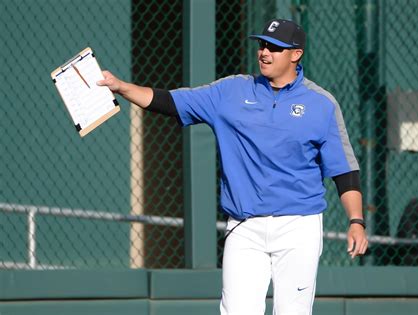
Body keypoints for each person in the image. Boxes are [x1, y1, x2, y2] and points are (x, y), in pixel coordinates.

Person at [98, 18, 368, 315]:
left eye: (275, 47)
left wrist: (356, 221)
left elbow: (344, 172)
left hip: (298, 225)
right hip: (244, 225)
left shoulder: (321, 104)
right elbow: (170, 101)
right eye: (262, 44)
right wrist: (121, 87)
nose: (265, 52)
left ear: (296, 54)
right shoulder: (231, 92)